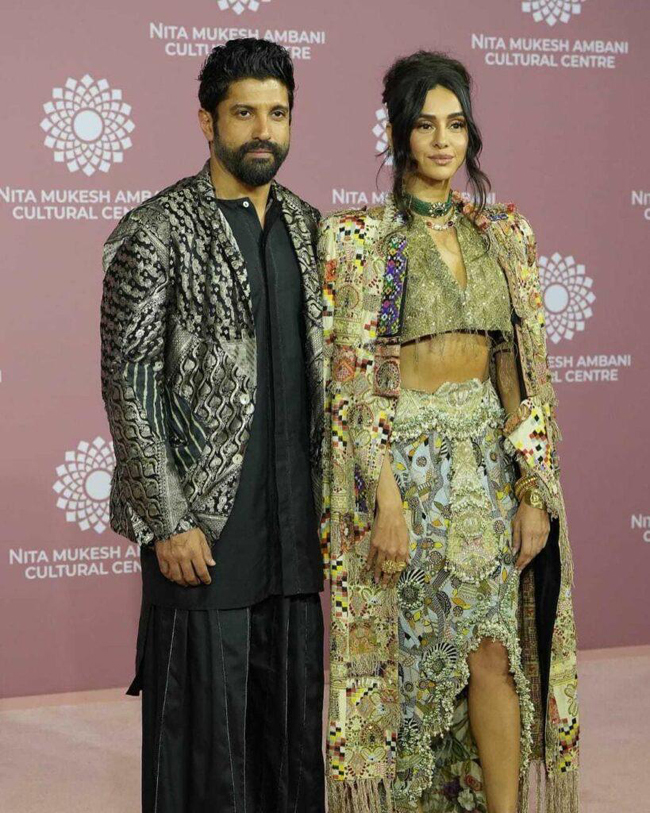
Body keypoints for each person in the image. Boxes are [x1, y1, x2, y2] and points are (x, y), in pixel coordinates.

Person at [319, 51, 579, 813]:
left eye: (456, 124)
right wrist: (385, 500)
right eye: (426, 124)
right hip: (400, 472)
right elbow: (351, 383)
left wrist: (532, 489)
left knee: (494, 652)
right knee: (406, 662)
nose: (442, 141)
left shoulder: (502, 233)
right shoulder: (361, 240)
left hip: (486, 472)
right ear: (399, 133)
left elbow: (519, 370)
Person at [101, 38, 325, 813]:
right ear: (208, 121)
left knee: (290, 746)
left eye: (278, 113)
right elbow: (130, 385)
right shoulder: (157, 229)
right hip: (201, 536)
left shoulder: (312, 230)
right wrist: (168, 519)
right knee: (201, 750)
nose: (264, 131)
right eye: (244, 113)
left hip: (294, 536)